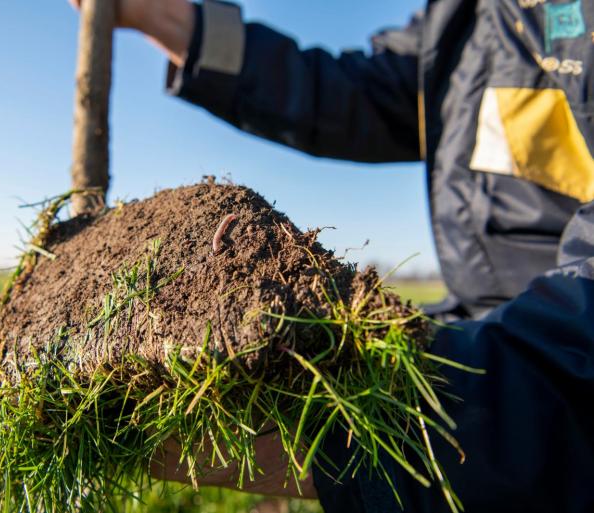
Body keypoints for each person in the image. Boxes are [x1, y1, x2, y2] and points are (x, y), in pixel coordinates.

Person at [68, 1, 594, 511]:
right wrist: (164, 16)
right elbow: (352, 93)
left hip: (557, 328)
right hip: (489, 316)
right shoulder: (464, 18)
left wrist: (459, 405)